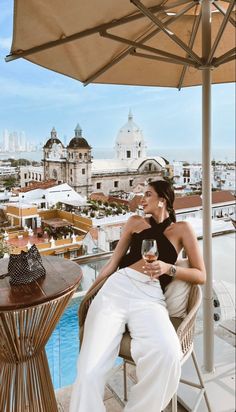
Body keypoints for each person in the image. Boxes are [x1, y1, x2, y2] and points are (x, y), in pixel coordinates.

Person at [70, 180, 206, 412]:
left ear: (163, 199)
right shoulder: (134, 222)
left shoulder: (182, 229)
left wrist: (168, 269)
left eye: (148, 195)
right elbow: (113, 263)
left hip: (149, 296)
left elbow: (200, 275)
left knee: (168, 353)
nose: (142, 199)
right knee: (88, 369)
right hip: (117, 288)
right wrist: (91, 291)